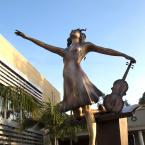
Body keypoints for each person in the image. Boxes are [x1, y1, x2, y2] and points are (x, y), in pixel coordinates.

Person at [15, 29, 136, 145]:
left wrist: (123, 54)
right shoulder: (64, 50)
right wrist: (27, 37)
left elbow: (104, 50)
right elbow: (45, 45)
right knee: (78, 115)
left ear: (80, 35)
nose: (73, 31)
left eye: (76, 30)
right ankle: (101, 109)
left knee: (87, 110)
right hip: (68, 83)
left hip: (79, 79)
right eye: (72, 31)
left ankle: (92, 142)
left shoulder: (85, 46)